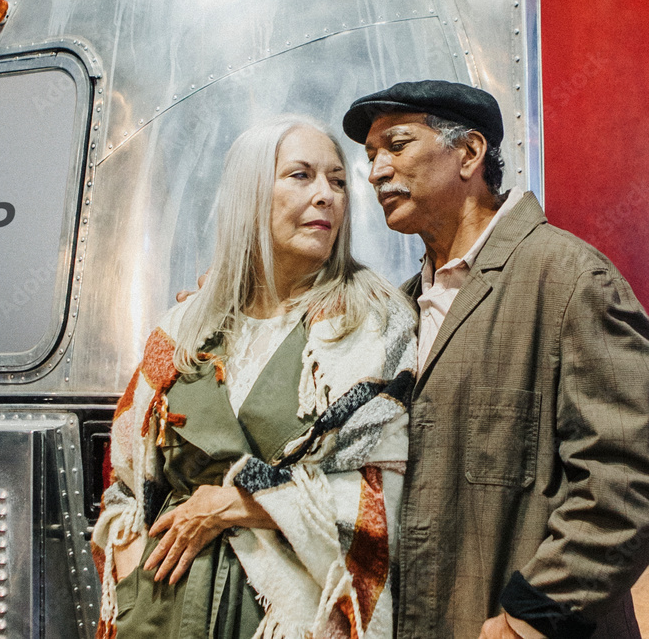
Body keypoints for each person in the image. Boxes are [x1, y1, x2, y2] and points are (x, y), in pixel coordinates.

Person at [341, 80, 649, 639]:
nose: (376, 172)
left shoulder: (570, 280)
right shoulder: (401, 307)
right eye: (369, 156)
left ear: (469, 152)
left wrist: (532, 616)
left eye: (398, 145)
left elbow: (628, 474)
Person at [92, 115, 417, 639]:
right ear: (249, 193)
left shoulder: (372, 321)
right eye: (300, 175)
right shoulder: (186, 325)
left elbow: (385, 494)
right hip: (165, 610)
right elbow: (124, 474)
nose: (326, 196)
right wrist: (130, 563)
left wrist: (242, 502)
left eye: (337, 181)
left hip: (289, 617)